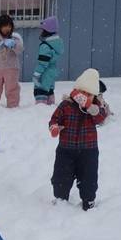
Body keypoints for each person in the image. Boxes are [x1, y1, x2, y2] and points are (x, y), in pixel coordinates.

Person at [49, 68, 110, 210]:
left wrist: (93, 109)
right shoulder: (66, 105)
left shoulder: (96, 107)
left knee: (88, 179)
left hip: (88, 151)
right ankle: (60, 199)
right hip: (66, 149)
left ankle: (89, 201)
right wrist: (54, 127)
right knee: (61, 177)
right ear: (77, 92)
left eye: (89, 94)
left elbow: (101, 119)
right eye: (83, 93)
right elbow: (54, 119)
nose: (85, 97)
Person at [0, 14, 24, 107]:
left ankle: (13, 106)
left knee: (12, 88)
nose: (7, 28)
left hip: (11, 67)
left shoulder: (14, 38)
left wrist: (14, 45)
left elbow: (20, 49)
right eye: (5, 26)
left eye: (10, 26)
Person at [32, 15, 64, 104]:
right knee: (49, 91)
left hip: (44, 74)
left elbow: (42, 63)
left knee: (40, 91)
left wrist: (37, 74)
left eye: (43, 30)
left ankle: (41, 108)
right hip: (52, 73)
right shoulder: (56, 45)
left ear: (47, 31)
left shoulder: (45, 46)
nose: (41, 32)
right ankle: (50, 107)